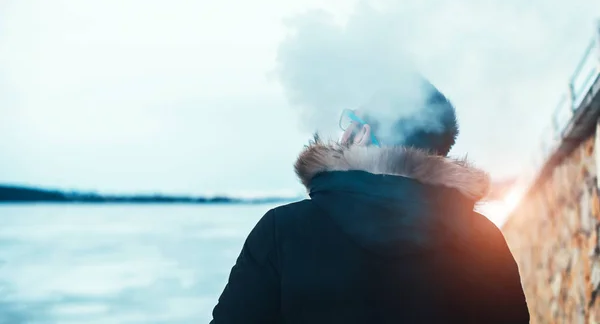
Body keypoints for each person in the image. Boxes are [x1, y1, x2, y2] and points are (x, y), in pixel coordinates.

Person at [211, 76, 529, 324]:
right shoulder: (484, 241)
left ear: (361, 135)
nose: (343, 133)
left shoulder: (282, 232)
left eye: (351, 120)